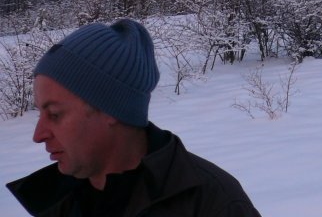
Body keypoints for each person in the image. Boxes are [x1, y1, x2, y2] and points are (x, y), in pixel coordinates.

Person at [6, 18, 262, 217]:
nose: (38, 135)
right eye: (40, 113)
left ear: (110, 109)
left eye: (54, 114)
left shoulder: (214, 205)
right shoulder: (57, 203)